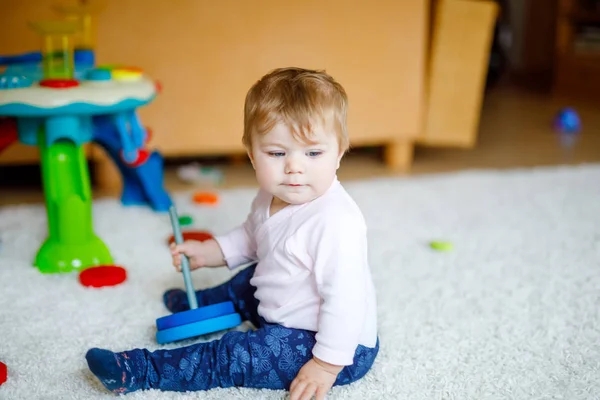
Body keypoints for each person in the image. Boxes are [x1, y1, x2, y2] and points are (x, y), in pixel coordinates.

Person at [85, 67, 379, 400]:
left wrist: (325, 365)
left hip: (330, 342)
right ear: (253, 155)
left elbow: (346, 301)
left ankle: (138, 370)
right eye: (277, 153)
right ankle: (205, 304)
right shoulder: (271, 195)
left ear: (339, 153)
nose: (295, 167)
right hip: (287, 299)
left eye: (313, 153)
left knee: (234, 355)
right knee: (251, 277)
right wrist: (209, 252)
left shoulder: (336, 222)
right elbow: (252, 238)